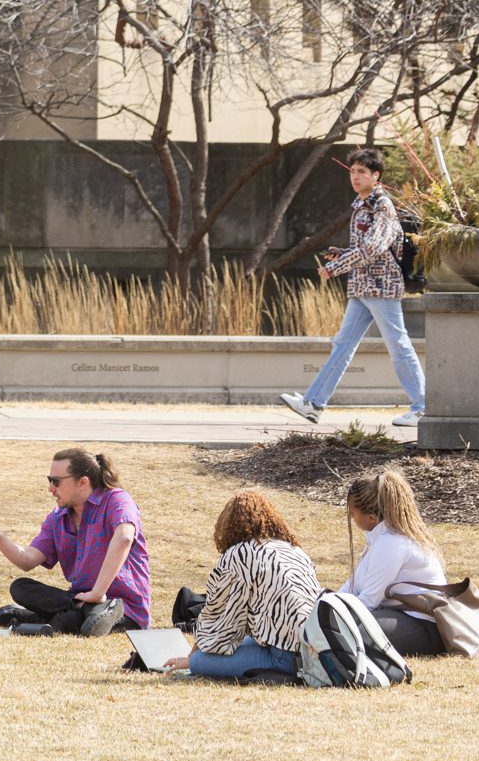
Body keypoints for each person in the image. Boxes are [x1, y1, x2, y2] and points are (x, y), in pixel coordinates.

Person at [281, 147, 427, 428]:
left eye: (362, 172)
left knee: (398, 345)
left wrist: (335, 267)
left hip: (381, 287)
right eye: (353, 171)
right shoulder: (361, 205)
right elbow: (365, 247)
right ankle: (313, 404)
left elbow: (373, 248)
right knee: (343, 346)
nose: (355, 176)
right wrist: (342, 252)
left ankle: (423, 408)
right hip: (362, 287)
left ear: (376, 176)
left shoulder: (381, 205)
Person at [0, 447, 148, 637]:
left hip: (125, 608)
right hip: (79, 599)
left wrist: (98, 594)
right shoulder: (58, 518)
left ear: (82, 482)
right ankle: (77, 610)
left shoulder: (117, 500)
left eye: (56, 482)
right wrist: (0, 539)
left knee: (76, 622)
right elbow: (27, 560)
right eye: (49, 480)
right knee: (19, 587)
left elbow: (124, 537)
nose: (50, 488)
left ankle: (46, 617)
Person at [176, 490, 322, 681]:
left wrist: (192, 659)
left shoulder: (239, 555)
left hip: (286, 658)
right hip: (315, 648)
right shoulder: (294, 551)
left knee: (200, 661)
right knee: (244, 644)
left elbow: (217, 617)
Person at [342, 469, 448, 656]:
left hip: (423, 626)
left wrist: (329, 618)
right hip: (396, 616)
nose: (351, 517)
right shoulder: (378, 540)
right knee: (333, 625)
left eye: (353, 513)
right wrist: (323, 605)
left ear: (371, 518)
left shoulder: (391, 543)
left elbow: (368, 601)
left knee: (344, 631)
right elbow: (353, 587)